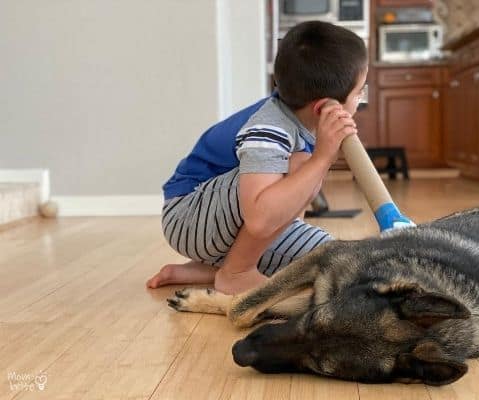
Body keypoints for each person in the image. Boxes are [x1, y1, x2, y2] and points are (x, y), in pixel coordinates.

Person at [146, 21, 368, 294]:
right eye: (359, 93)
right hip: (188, 217)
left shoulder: (301, 120)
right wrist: (322, 158)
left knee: (332, 260)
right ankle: (236, 272)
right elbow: (261, 219)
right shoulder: (268, 129)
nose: (361, 100)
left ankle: (207, 269)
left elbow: (284, 207)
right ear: (324, 106)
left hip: (225, 224)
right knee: (301, 166)